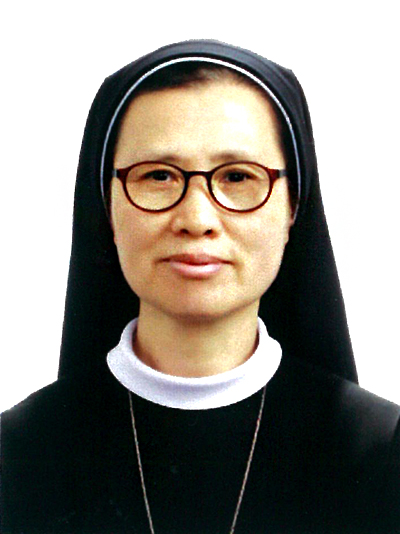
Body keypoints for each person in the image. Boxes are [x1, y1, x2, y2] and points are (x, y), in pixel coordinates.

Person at [1, 40, 399, 534]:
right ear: (106, 204)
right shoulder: (17, 458)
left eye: (237, 176)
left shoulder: (381, 453)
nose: (196, 218)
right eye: (158, 176)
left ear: (294, 206)